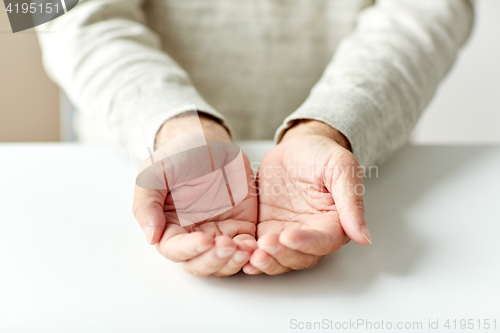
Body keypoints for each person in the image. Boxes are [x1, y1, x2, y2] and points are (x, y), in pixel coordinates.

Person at [36, 0, 475, 277]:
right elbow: (53, 13)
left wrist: (331, 124)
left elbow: (435, 6)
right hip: (129, 163)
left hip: (366, 167)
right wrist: (176, 125)